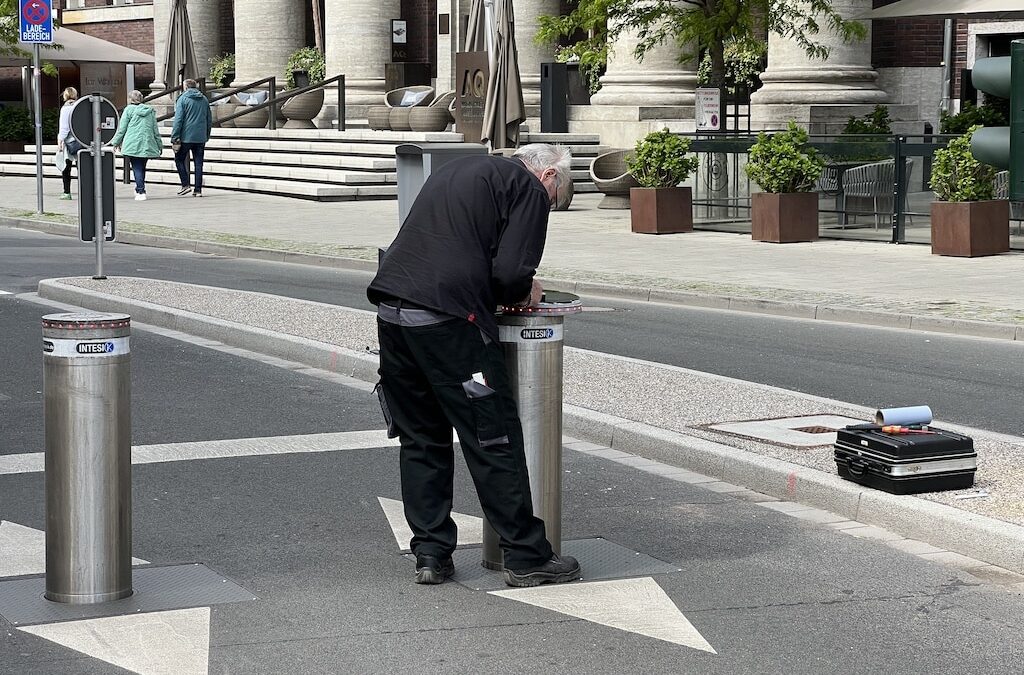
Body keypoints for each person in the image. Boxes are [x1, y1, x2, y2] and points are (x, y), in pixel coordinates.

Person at [367, 144, 578, 588]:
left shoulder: (464, 169)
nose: (548, 207)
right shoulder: (528, 188)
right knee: (492, 434)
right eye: (555, 201)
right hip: (450, 320)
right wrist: (527, 292)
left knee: (421, 437)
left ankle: (431, 554)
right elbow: (510, 274)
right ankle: (526, 555)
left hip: (393, 310)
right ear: (549, 177)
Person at [109, 90, 162, 201]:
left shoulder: (128, 110)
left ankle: (141, 191)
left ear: (130, 99)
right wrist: (159, 144)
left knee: (137, 168)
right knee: (142, 167)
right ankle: (139, 188)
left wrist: (116, 142)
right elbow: (155, 129)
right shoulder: (150, 111)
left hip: (132, 143)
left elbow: (122, 128)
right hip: (147, 143)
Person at [170, 78, 212, 197]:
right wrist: (207, 134)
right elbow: (209, 118)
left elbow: (178, 119)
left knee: (179, 159)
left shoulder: (183, 99)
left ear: (185, 87)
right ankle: (198, 190)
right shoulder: (204, 99)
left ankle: (185, 185)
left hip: (186, 136)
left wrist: (175, 136)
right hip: (200, 136)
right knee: (199, 163)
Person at [56, 87, 81, 200]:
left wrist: (60, 140)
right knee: (82, 168)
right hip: (82, 141)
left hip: (69, 142)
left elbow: (64, 127)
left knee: (66, 168)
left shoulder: (65, 108)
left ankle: (67, 192)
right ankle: (86, 191)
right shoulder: (80, 106)